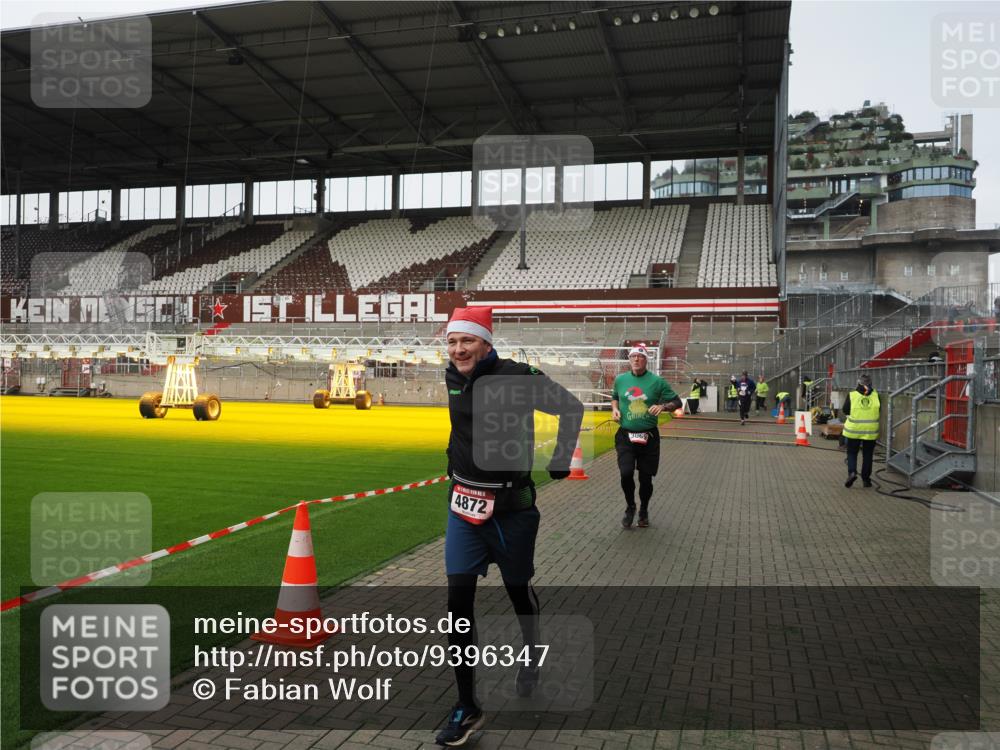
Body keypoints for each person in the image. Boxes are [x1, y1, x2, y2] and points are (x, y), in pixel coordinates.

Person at [437, 306, 583, 746]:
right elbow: (460, 431)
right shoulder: (453, 376)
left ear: (486, 341)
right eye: (452, 341)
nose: (459, 349)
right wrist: (453, 463)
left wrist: (559, 462)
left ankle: (531, 656)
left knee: (518, 592)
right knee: (456, 607)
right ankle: (468, 706)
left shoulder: (519, 377)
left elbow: (571, 408)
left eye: (467, 341)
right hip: (463, 512)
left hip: (511, 512)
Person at [611, 345, 681, 529]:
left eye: (640, 357)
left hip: (649, 437)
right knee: (626, 473)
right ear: (629, 359)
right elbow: (615, 396)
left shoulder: (657, 382)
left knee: (645, 478)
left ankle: (644, 510)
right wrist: (615, 409)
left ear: (646, 360)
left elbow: (677, 402)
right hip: (625, 436)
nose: (636, 360)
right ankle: (630, 506)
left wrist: (663, 407)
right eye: (633, 356)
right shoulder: (620, 380)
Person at [842, 373, 880, 488]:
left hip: (854, 430)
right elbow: (879, 409)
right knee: (868, 455)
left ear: (858, 383)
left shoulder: (852, 395)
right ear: (871, 383)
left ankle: (852, 472)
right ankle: (866, 480)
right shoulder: (875, 395)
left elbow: (845, 410)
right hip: (870, 430)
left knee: (852, 453)